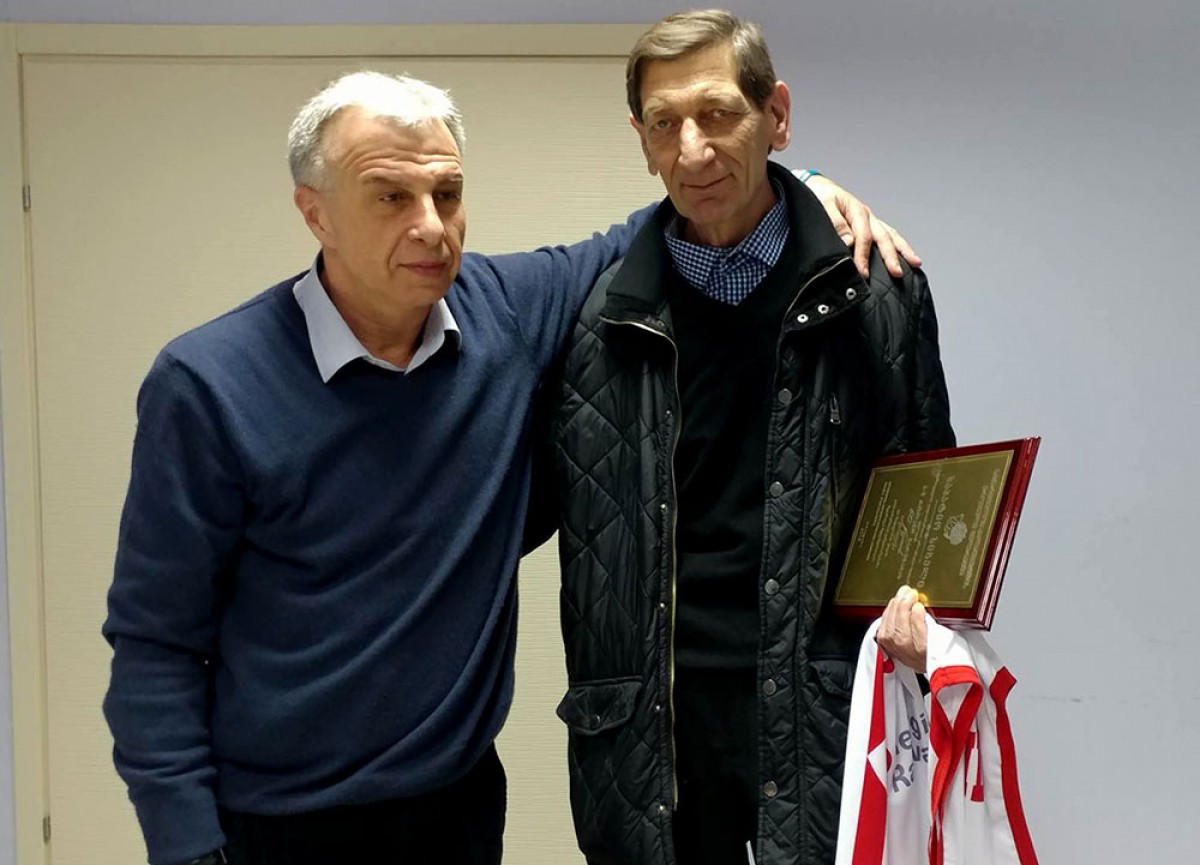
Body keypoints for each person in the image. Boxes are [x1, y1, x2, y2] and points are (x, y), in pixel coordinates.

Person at [102, 69, 913, 865]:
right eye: (390, 197)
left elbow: (674, 215)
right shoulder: (208, 382)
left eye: (447, 193)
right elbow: (154, 642)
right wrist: (185, 841)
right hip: (277, 822)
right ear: (315, 213)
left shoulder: (505, 314)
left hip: (455, 809)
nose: (431, 226)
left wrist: (802, 186)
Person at [531, 9, 954, 865]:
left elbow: (927, 495)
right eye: (665, 124)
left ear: (776, 115)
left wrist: (929, 619)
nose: (693, 149)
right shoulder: (592, 321)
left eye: (718, 113)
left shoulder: (875, 292)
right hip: (650, 737)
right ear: (643, 142)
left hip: (825, 715)